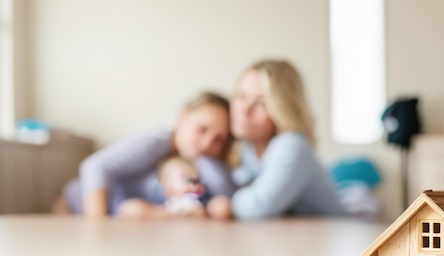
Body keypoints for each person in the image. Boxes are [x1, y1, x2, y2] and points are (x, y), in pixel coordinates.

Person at [52, 92, 234, 219]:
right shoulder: (158, 142)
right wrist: (99, 228)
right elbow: (95, 166)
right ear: (183, 116)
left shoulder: (201, 167)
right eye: (202, 129)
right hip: (74, 205)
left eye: (218, 139)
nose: (206, 143)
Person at [207, 59, 346, 220]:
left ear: (283, 108)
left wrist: (229, 203)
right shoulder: (247, 148)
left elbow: (259, 206)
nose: (244, 110)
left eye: (261, 103)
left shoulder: (293, 144)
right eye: (241, 96)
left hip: (333, 232)